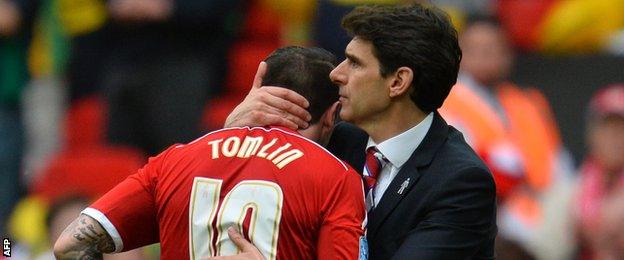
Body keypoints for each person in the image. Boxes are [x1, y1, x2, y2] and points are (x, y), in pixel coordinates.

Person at [225, 4, 497, 259]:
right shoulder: (336, 141)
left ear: (398, 81)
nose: (336, 74)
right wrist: (234, 134)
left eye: (354, 63)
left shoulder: (461, 182)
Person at [53, 46, 366, 259]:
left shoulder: (175, 160)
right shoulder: (338, 178)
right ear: (332, 114)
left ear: (256, 83)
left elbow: (69, 244)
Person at [575, 84, 624, 259]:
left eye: (622, 129)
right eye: (608, 128)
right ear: (592, 134)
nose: (616, 138)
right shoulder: (572, 185)